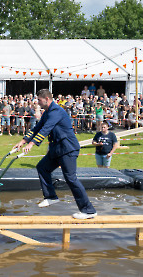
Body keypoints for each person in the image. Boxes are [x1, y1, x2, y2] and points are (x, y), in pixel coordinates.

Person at [13, 89, 97, 220]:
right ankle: (51, 197)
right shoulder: (47, 112)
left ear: (46, 99)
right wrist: (23, 141)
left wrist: (32, 144)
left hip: (67, 148)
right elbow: (37, 128)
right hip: (56, 149)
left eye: (39, 100)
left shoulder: (56, 111)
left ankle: (88, 210)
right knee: (42, 167)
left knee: (70, 178)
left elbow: (47, 129)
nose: (38, 103)